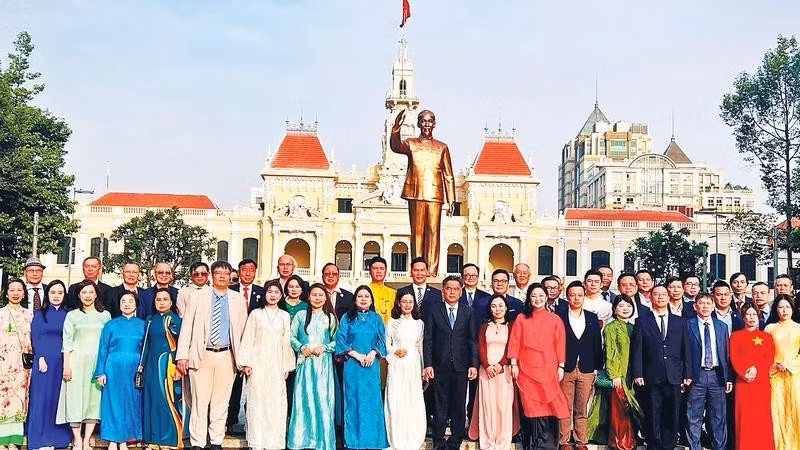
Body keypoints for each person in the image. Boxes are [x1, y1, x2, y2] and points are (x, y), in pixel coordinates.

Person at [175, 261, 248, 450]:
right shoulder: (198, 297)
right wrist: (182, 356)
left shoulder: (237, 299)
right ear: (211, 275)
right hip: (201, 355)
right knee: (200, 400)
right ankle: (198, 442)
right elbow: (187, 327)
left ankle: (216, 441)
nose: (222, 276)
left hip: (227, 356)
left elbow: (242, 331)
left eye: (226, 273)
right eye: (218, 273)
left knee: (221, 401)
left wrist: (243, 359)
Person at [389, 109, 456, 275]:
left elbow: (448, 175)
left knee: (433, 232)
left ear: (434, 124)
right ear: (419, 124)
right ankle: (418, 269)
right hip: (415, 193)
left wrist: (452, 199)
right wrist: (396, 127)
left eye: (430, 121)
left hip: (435, 195)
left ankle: (432, 270)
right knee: (417, 233)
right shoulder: (411, 143)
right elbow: (395, 146)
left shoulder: (442, 147)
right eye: (423, 121)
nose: (426, 124)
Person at [508, 283, 569, 450]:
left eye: (541, 295)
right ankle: (531, 444)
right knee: (529, 407)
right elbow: (515, 341)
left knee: (548, 405)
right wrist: (513, 362)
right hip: (526, 369)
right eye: (534, 296)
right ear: (529, 298)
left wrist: (561, 366)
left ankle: (547, 445)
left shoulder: (555, 319)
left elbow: (560, 343)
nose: (538, 299)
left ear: (546, 297)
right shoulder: (521, 318)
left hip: (548, 369)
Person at [237, 279, 296, 450]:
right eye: (269, 291)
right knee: (257, 401)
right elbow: (248, 338)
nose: (272, 295)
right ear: (265, 294)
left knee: (276, 403)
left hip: (277, 364)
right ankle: (257, 441)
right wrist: (246, 363)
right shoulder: (256, 314)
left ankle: (274, 442)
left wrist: (286, 365)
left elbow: (286, 341)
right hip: (258, 363)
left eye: (276, 292)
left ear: (281, 295)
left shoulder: (284, 316)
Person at [423, 276, 478, 450]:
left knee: (458, 404)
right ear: (443, 291)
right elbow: (428, 339)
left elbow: (472, 340)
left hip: (461, 366)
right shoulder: (434, 310)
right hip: (439, 365)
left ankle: (455, 441)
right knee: (440, 404)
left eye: (455, 289)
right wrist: (428, 364)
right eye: (448, 288)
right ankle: (439, 442)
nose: (452, 292)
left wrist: (473, 364)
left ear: (461, 292)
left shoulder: (467, 311)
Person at [56, 279, 112, 450]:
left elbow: (108, 342)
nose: (87, 296)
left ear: (96, 294)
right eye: (84, 293)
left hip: (97, 363)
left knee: (93, 401)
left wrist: (104, 367)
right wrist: (67, 365)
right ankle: (77, 439)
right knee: (75, 399)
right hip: (76, 362)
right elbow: (67, 342)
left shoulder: (106, 316)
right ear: (79, 295)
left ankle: (87, 439)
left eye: (91, 292)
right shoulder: (72, 315)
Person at [631, 284, 687, 450]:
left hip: (674, 375)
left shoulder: (680, 322)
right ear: (651, 298)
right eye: (657, 294)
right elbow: (637, 349)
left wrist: (687, 374)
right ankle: (654, 445)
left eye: (664, 294)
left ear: (669, 297)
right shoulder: (642, 321)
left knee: (672, 413)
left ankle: (669, 445)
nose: (660, 297)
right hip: (651, 375)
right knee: (653, 413)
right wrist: (637, 373)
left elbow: (686, 350)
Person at [335, 285, 389, 449]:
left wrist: (373, 353)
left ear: (371, 300)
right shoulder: (347, 318)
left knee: (372, 403)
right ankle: (353, 442)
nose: (363, 299)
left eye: (367, 296)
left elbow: (381, 340)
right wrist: (356, 355)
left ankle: (373, 441)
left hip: (371, 367)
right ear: (355, 299)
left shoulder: (376, 318)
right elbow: (341, 340)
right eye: (360, 296)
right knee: (353, 402)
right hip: (353, 366)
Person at [287, 284, 338, 450]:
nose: (317, 298)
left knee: (323, 401)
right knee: (304, 400)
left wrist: (325, 347)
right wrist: (301, 347)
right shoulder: (301, 316)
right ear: (308, 297)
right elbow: (291, 336)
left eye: (321, 295)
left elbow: (337, 340)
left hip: (323, 365)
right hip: (305, 363)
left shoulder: (330, 317)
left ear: (326, 298)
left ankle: (323, 442)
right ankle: (301, 440)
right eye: (314, 294)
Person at [94, 291, 146, 449]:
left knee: (131, 402)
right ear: (119, 304)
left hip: (134, 369)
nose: (127, 304)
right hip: (113, 368)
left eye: (130, 301)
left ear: (136, 304)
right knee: (113, 403)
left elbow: (146, 349)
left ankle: (125, 439)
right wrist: (100, 372)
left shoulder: (143, 324)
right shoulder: (110, 324)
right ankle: (112, 439)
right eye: (123, 301)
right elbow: (103, 349)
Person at [467, 294, 519, 449]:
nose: (498, 309)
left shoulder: (511, 326)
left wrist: (501, 364)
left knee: (503, 406)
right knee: (487, 407)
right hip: (486, 371)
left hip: (505, 371)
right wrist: (487, 365)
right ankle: (488, 442)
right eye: (494, 306)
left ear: (506, 308)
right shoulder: (484, 326)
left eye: (501, 306)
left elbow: (512, 346)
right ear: (489, 308)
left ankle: (502, 442)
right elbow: (480, 347)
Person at [27, 280, 73, 450]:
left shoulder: (69, 314)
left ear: (64, 295)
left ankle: (58, 438)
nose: (56, 296)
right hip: (44, 362)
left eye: (60, 293)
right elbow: (35, 336)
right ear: (48, 294)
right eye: (53, 292)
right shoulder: (40, 314)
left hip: (62, 361)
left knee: (58, 399)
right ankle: (40, 439)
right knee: (42, 398)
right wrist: (40, 357)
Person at [684, 293, 733, 450]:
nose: (705, 306)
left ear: (713, 306)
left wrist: (728, 378)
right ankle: (695, 447)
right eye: (701, 303)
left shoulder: (721, 326)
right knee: (694, 416)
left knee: (718, 416)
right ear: (695, 306)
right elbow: (682, 353)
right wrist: (686, 376)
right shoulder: (687, 325)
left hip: (717, 376)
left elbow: (725, 354)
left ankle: (720, 447)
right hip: (696, 375)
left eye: (708, 303)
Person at [557, 281, 602, 450]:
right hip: (566, 367)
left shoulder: (591, 317)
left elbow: (597, 343)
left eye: (579, 295)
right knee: (564, 406)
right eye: (572, 295)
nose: (576, 298)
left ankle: (581, 440)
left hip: (587, 368)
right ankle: (564, 441)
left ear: (584, 296)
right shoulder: (560, 316)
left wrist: (597, 367)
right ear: (567, 296)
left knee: (582, 406)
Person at [142, 287, 188, 449]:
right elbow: (145, 346)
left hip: (168, 366)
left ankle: (172, 440)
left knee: (168, 402)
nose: (161, 303)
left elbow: (181, 346)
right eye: (158, 300)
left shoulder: (175, 320)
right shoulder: (149, 320)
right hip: (151, 366)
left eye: (165, 299)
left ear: (171, 301)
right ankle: (154, 439)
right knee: (153, 401)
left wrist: (178, 367)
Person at [730, 302, 776, 450]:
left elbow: (769, 358)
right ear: (743, 317)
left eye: (754, 314)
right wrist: (744, 372)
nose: (751, 318)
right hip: (743, 383)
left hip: (761, 382)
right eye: (748, 314)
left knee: (761, 417)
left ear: (759, 317)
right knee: (745, 417)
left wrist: (756, 368)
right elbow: (734, 357)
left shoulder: (767, 337)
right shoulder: (735, 336)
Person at [384, 291, 426, 450]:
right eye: (404, 301)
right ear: (399, 304)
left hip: (413, 365)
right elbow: (386, 344)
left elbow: (420, 347)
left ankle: (413, 436)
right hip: (397, 364)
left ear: (414, 304)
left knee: (412, 398)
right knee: (396, 398)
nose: (407, 305)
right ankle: (396, 438)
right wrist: (395, 350)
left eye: (410, 302)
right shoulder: (392, 322)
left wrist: (423, 368)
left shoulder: (419, 323)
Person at [228, 258, 264, 433]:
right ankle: (231, 420)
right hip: (232, 345)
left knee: (255, 385)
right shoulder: (230, 291)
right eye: (244, 270)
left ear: (255, 272)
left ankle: (252, 420)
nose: (248, 273)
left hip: (256, 347)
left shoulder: (262, 292)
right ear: (239, 272)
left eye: (251, 270)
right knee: (233, 384)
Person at [604, 295, 642, 450]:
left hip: (633, 374)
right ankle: (620, 442)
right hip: (619, 375)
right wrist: (614, 374)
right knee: (620, 409)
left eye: (628, 306)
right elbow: (610, 352)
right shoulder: (611, 327)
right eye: (621, 306)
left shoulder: (634, 327)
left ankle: (632, 439)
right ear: (614, 309)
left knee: (632, 409)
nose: (625, 309)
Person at [0, 278, 33, 449]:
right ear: (6, 293)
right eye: (12, 290)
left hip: (22, 366)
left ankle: (14, 440)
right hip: (3, 364)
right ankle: (1, 440)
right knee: (2, 401)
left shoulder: (30, 314)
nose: (15, 293)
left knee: (19, 400)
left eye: (19, 290)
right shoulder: (0, 314)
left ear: (24, 293)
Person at [765, 294, 800, 450]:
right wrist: (774, 365)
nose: (784, 310)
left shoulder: (798, 328)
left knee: (795, 412)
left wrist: (789, 364)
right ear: (776, 309)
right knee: (776, 413)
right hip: (775, 377)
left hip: (795, 376)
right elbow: (763, 354)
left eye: (787, 307)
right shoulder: (769, 328)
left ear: (792, 308)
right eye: (780, 307)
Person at [367, 256, 396, 324]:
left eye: (382, 268)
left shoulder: (393, 293)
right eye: (375, 268)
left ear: (385, 271)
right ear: (370, 272)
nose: (378, 271)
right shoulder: (365, 292)